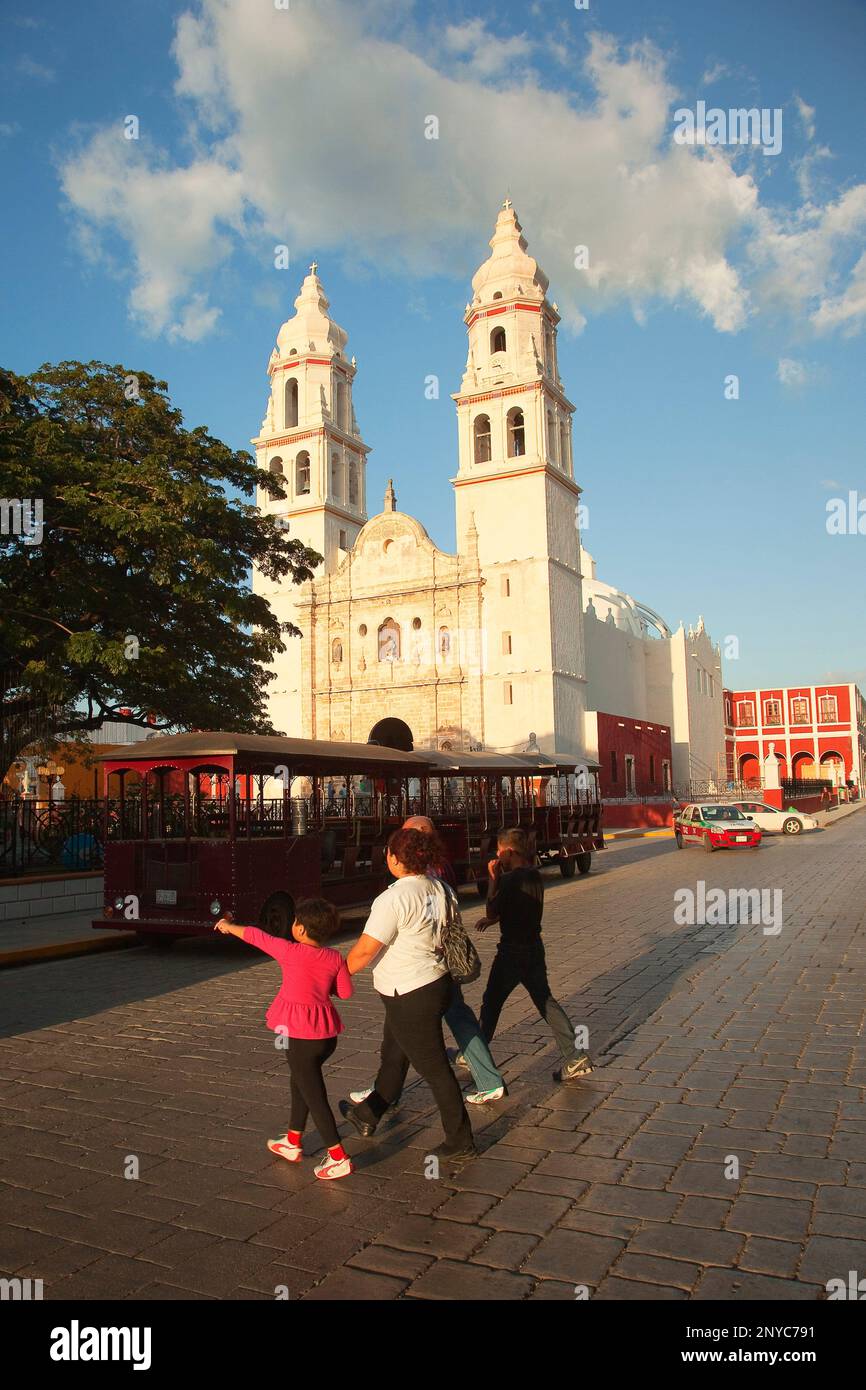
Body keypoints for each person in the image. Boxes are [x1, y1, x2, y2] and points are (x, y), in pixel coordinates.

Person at [339, 828, 476, 1162]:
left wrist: (333, 978)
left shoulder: (394, 898)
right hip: (437, 982)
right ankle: (368, 1114)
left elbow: (364, 952)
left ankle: (461, 1139)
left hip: (410, 991)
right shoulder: (441, 888)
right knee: (395, 1053)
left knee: (435, 1069)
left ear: (395, 859)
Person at [350, 815, 506, 1106]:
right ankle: (384, 1094)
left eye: (408, 837)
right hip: (430, 968)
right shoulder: (435, 872)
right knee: (404, 1034)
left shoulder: (428, 875)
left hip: (423, 972)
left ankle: (386, 1095)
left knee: (441, 1027)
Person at [214, 898, 354, 1180]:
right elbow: (345, 992)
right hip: (325, 1036)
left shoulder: (289, 951)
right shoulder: (335, 958)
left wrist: (228, 926)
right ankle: (292, 1140)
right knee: (301, 1082)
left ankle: (339, 1157)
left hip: (298, 1034)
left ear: (300, 929)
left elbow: (256, 936)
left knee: (315, 1096)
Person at [476, 828, 592, 1082]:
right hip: (533, 947)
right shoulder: (534, 876)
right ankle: (575, 1056)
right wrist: (493, 918)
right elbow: (517, 909)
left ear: (508, 852)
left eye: (499, 851)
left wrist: (493, 878)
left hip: (511, 952)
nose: (497, 856)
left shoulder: (508, 880)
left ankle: (476, 1054)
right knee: (545, 1001)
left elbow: (493, 908)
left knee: (492, 1002)